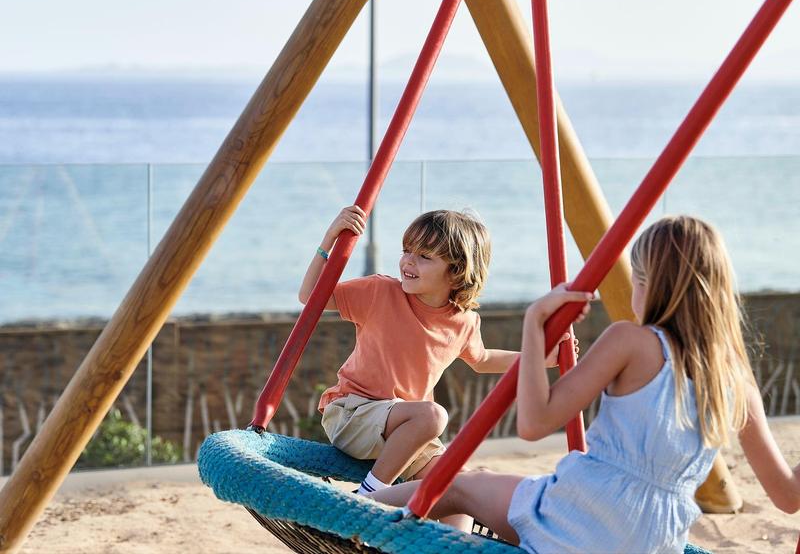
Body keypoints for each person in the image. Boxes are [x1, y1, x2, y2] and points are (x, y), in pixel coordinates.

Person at [370, 215, 800, 553]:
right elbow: (787, 496)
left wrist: (535, 324)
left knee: (461, 484)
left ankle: (353, 511)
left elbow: (534, 424)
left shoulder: (632, 341)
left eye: (636, 280)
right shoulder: (736, 380)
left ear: (649, 285)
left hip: (580, 515)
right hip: (656, 540)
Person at [300, 206, 567, 513]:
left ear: (456, 271)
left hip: (405, 431)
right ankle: (368, 496)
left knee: (458, 484)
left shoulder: (463, 321)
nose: (408, 261)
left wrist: (542, 358)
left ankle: (458, 540)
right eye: (406, 251)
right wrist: (330, 239)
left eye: (424, 256)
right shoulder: (380, 291)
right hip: (353, 414)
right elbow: (311, 296)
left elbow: (482, 359)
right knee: (433, 416)